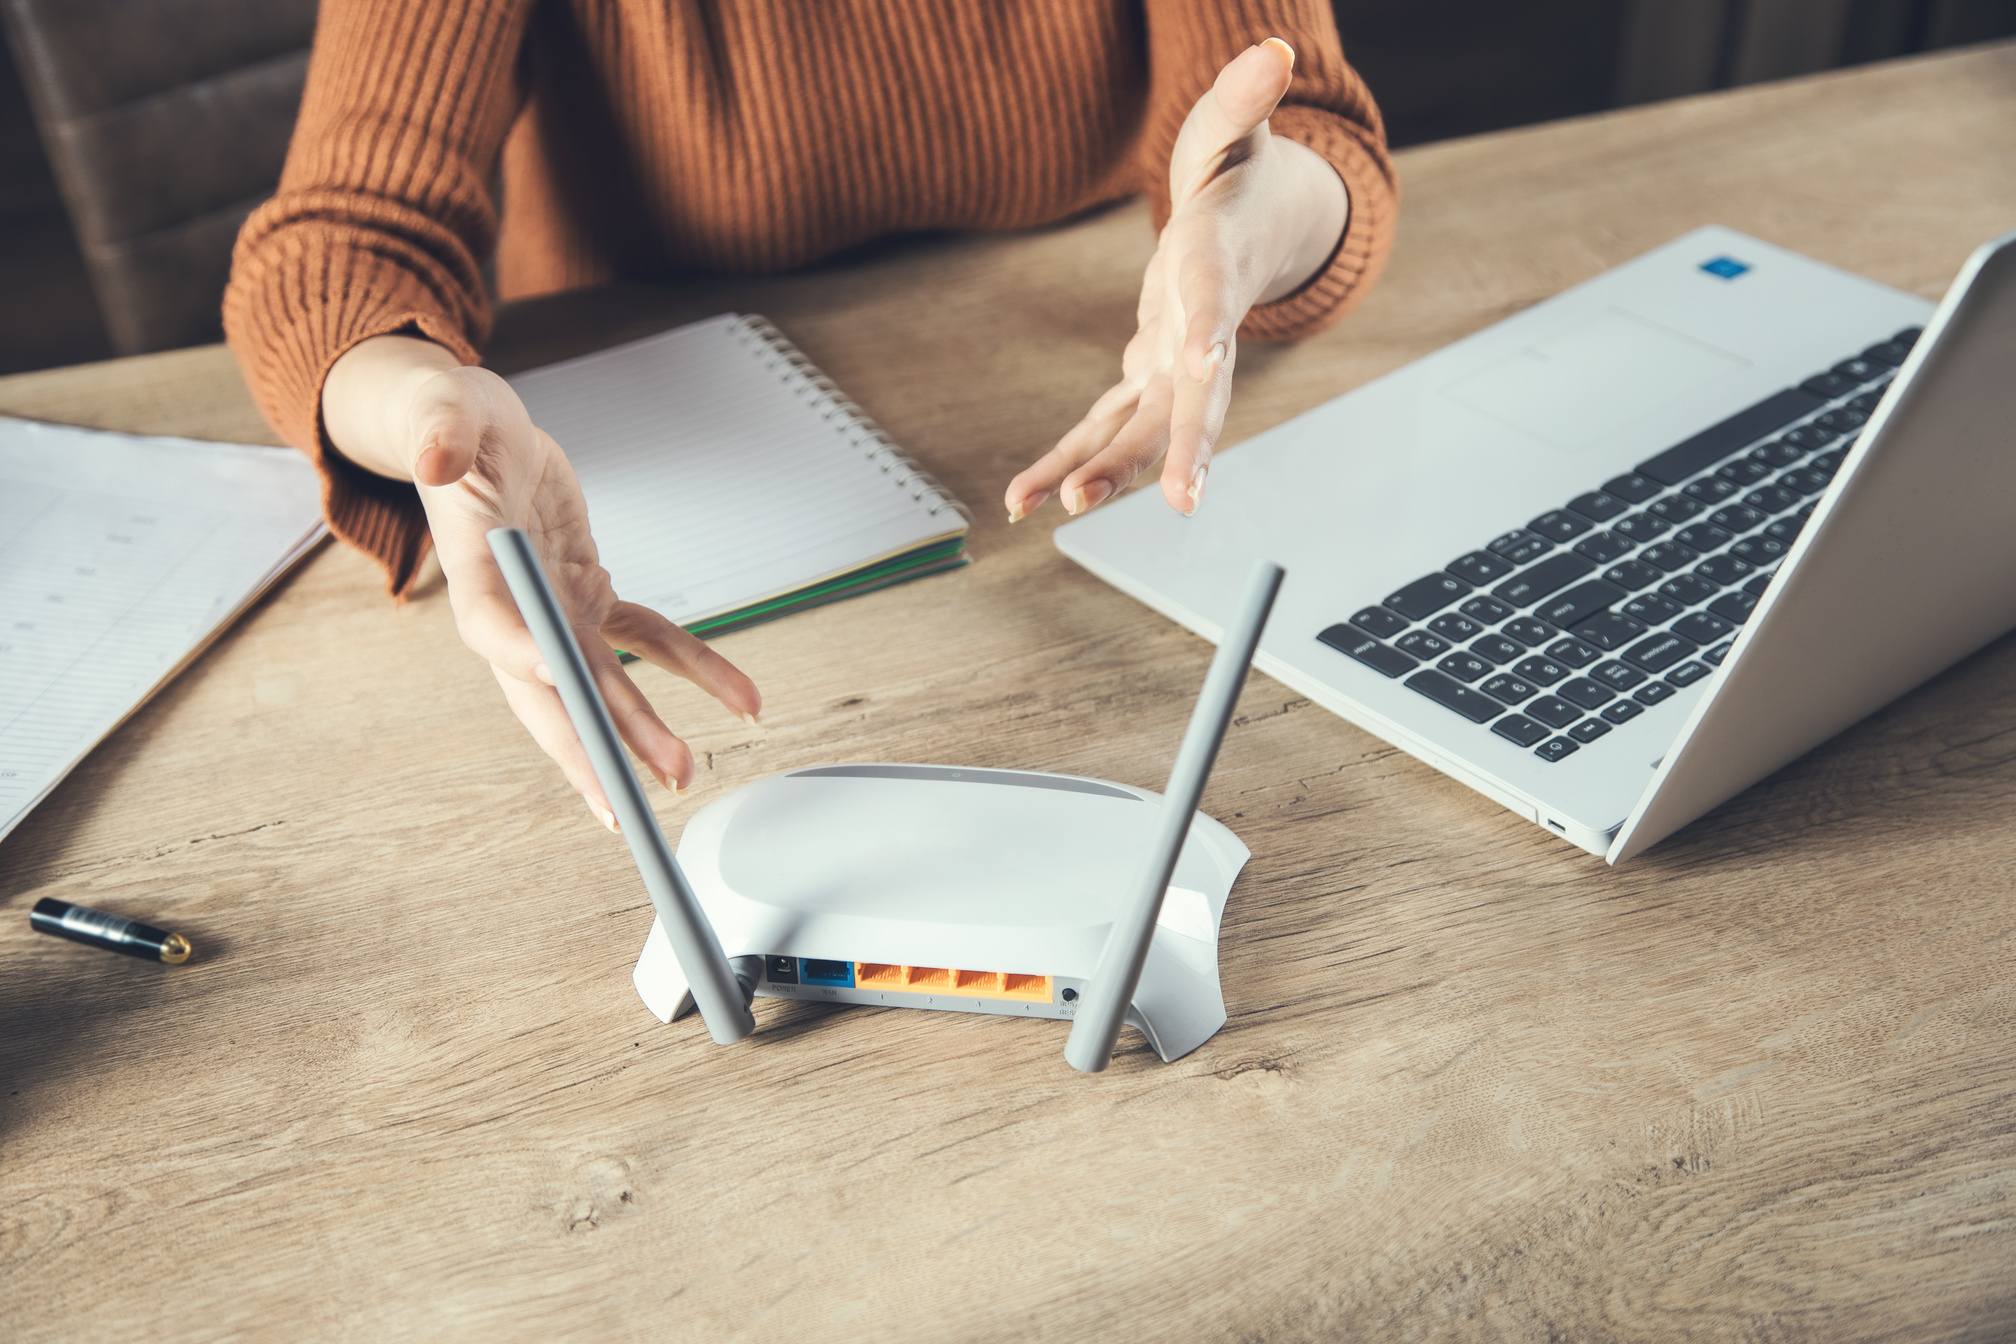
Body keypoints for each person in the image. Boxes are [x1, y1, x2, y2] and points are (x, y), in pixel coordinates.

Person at [225, 1, 1397, 829]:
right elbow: (338, 247)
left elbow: (1313, 138)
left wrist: (1243, 224)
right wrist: (428, 404)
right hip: (693, 464)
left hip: (1059, 389)